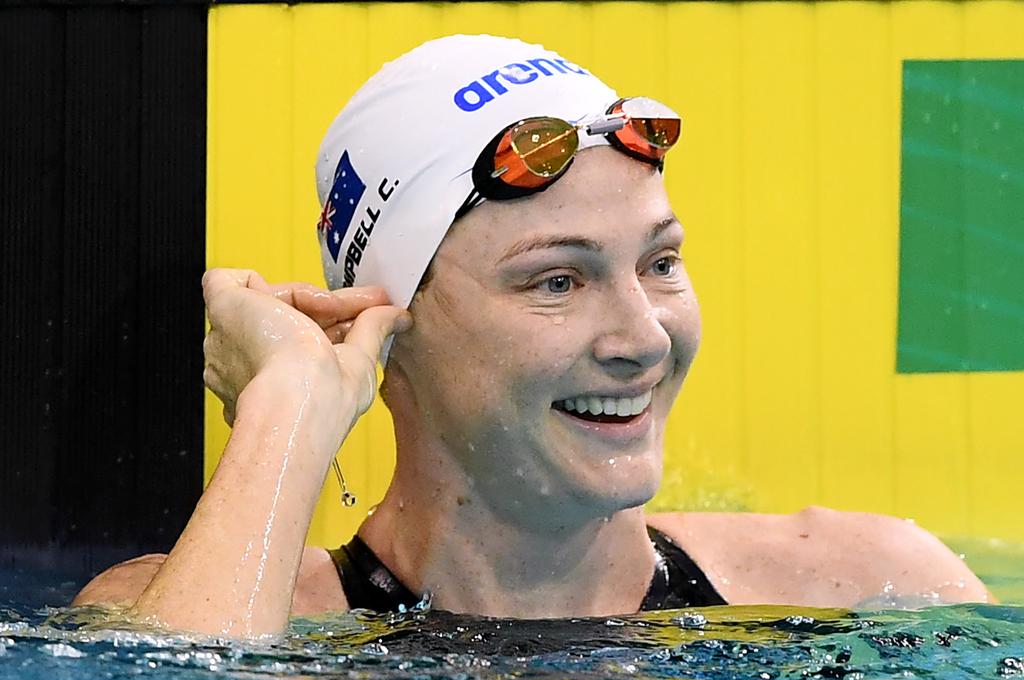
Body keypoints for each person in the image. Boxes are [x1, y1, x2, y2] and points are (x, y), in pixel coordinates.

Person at [72, 35, 991, 639]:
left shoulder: (868, 591)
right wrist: (286, 411)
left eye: (660, 263)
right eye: (558, 280)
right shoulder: (177, 612)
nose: (643, 337)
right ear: (389, 327)